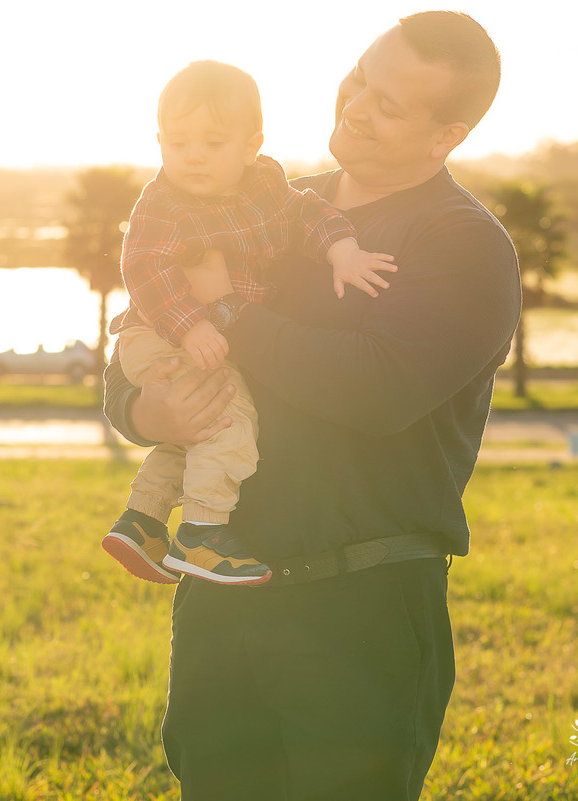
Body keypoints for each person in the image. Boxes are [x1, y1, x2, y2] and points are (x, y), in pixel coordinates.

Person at [103, 11, 521, 800]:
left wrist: (226, 307)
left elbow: (373, 387)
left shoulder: (462, 244)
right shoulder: (266, 201)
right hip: (224, 595)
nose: (356, 104)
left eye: (389, 104)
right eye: (360, 75)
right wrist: (146, 413)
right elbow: (146, 329)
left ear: (445, 135)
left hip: (359, 609)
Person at [102, 60, 396, 587]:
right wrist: (193, 324)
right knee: (230, 425)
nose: (192, 156)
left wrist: (342, 249)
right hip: (160, 332)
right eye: (177, 142)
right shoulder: (162, 204)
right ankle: (202, 534)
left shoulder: (266, 188)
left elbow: (307, 215)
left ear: (251, 145)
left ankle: (143, 521)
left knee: (198, 429)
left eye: (213, 143)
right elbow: (143, 268)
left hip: (196, 337)